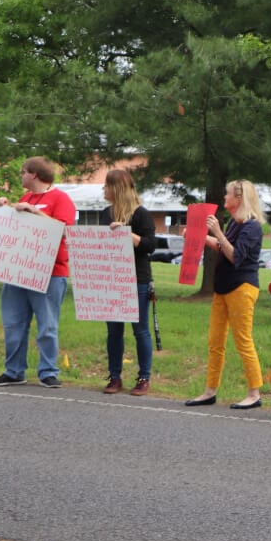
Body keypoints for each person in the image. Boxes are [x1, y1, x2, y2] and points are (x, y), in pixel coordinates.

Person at [0, 157, 76, 389]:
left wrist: (34, 212)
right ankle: (14, 370)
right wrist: (2, 208)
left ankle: (48, 371)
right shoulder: (25, 198)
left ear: (34, 175)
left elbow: (66, 230)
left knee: (47, 325)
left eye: (23, 172)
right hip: (19, 271)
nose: (21, 176)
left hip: (49, 273)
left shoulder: (61, 199)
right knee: (13, 323)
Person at [185, 180, 266, 409]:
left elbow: (235, 256)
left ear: (238, 198)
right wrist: (197, 237)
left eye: (228, 194)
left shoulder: (252, 227)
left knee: (243, 340)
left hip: (242, 288)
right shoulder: (234, 223)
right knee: (215, 341)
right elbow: (222, 247)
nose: (224, 198)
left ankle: (254, 393)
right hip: (222, 288)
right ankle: (210, 391)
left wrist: (218, 232)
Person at [100, 169, 157, 396]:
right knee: (113, 331)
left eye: (106, 185)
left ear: (117, 188)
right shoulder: (106, 213)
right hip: (112, 279)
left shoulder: (141, 214)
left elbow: (150, 245)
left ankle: (144, 377)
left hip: (137, 279)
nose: (103, 190)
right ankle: (114, 376)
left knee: (140, 330)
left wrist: (127, 234)